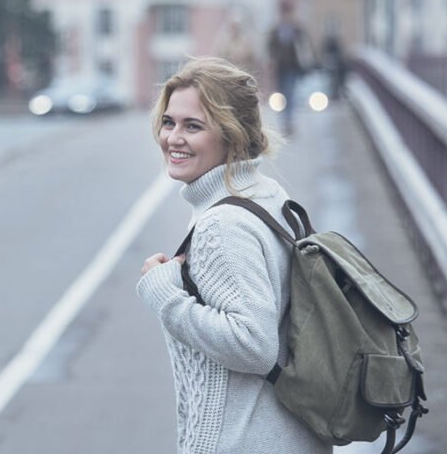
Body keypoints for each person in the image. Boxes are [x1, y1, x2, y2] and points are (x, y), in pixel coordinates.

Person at [137, 57, 329, 454]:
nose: (173, 138)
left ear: (232, 135)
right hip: (291, 436)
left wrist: (166, 297)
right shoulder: (267, 194)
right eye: (169, 122)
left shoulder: (222, 225)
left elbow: (255, 345)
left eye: (193, 127)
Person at [266, 0, 310, 136]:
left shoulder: (297, 29)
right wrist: (271, 61)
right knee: (282, 94)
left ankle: (288, 121)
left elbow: (305, 46)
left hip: (292, 67)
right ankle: (285, 121)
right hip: (280, 68)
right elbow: (270, 47)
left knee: (290, 93)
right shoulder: (276, 29)